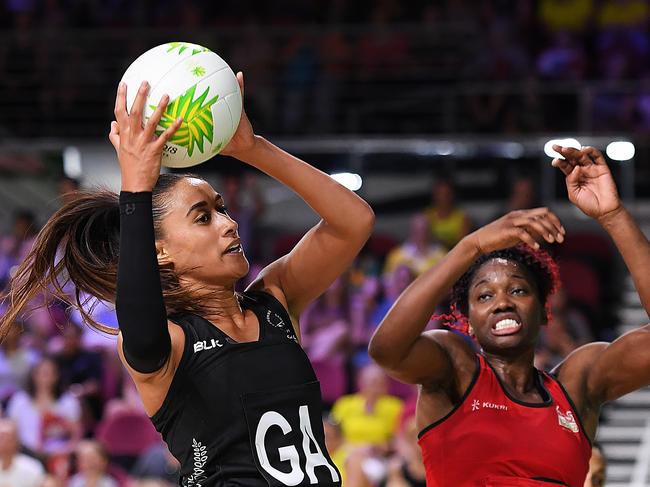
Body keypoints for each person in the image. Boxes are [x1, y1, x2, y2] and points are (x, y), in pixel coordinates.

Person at [1, 73, 374, 486]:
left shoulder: (274, 300)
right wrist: (136, 191)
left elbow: (353, 221)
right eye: (203, 217)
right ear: (159, 251)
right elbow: (138, 319)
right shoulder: (168, 340)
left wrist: (254, 149)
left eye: (223, 208)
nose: (229, 224)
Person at [369, 145, 650, 486]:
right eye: (485, 295)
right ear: (468, 322)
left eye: (518, 290)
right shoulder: (456, 368)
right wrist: (469, 247)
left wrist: (613, 216)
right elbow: (386, 349)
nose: (502, 302)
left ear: (544, 312)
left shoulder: (577, 386)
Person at [5, 357, 82, 459]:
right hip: (25, 454)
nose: (45, 377)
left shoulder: (68, 402)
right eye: (42, 373)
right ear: (34, 375)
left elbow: (76, 435)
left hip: (59, 455)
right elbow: (11, 431)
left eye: (50, 373)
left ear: (57, 376)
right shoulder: (20, 400)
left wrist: (65, 451)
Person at [0, 418, 45, 487]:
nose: (3, 442)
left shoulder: (31, 467)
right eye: (1, 437)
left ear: (16, 441)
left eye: (7, 437)